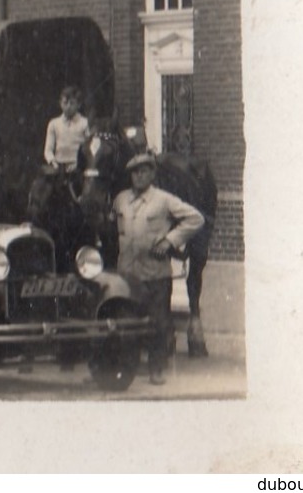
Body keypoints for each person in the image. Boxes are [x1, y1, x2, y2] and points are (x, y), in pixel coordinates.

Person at [113, 151, 205, 385]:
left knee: (158, 323)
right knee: (127, 323)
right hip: (127, 274)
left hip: (155, 273)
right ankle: (127, 369)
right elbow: (111, 224)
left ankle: (157, 369)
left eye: (144, 171)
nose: (139, 176)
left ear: (153, 173)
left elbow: (196, 219)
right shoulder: (121, 199)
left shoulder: (164, 199)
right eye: (135, 172)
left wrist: (170, 241)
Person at [43, 86, 91, 173]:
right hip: (59, 166)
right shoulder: (54, 124)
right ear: (60, 103)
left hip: (78, 167)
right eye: (65, 103)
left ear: (78, 105)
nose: (68, 107)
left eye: (72, 103)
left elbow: (89, 149)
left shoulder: (85, 123)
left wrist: (78, 164)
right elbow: (48, 150)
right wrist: (53, 161)